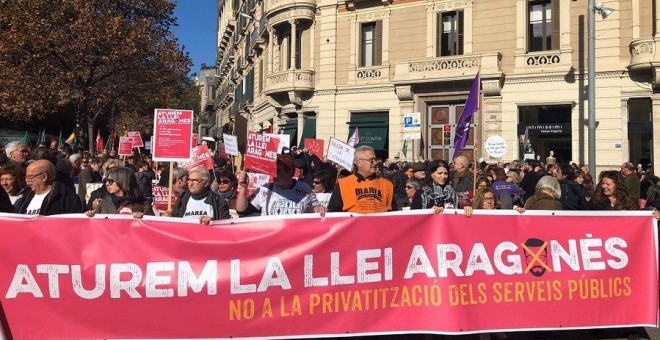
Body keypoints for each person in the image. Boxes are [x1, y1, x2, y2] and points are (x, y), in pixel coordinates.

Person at [328, 146, 397, 213]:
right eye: (371, 160)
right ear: (359, 163)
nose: (375, 163)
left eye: (375, 159)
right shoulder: (343, 184)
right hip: (355, 224)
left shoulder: (387, 184)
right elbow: (334, 212)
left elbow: (394, 213)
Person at [14, 159, 83, 215]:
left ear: (44, 177)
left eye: (30, 177)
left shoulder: (67, 198)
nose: (27, 180)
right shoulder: (24, 197)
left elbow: (74, 224)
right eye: (26, 177)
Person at [85, 167, 154, 219]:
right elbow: (95, 225)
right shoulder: (104, 202)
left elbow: (152, 225)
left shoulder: (142, 203)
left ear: (122, 181)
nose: (106, 184)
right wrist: (90, 214)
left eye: (110, 181)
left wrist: (142, 217)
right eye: (106, 180)